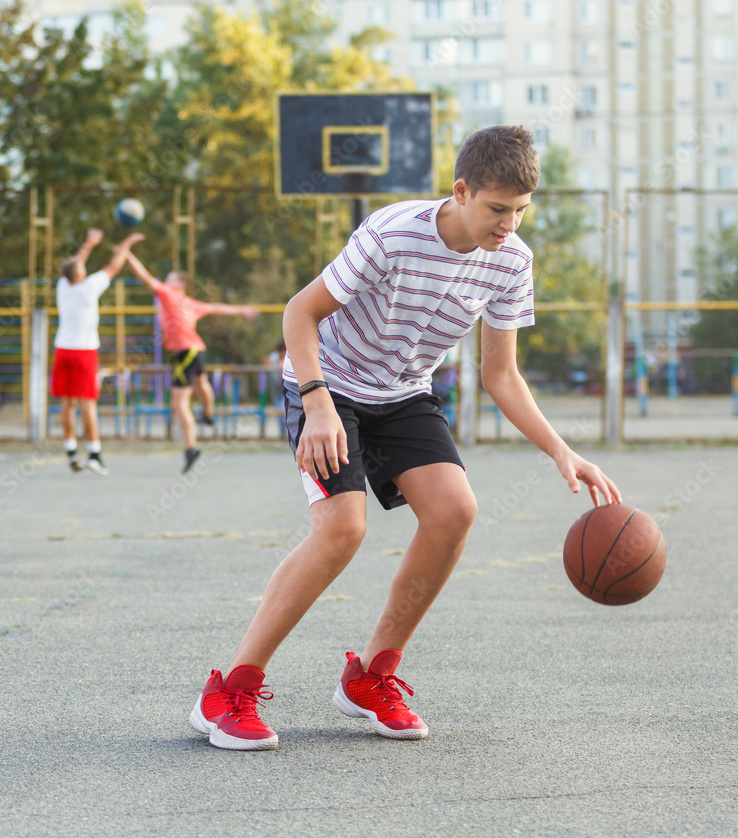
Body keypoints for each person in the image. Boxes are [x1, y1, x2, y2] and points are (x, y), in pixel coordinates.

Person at [187, 125, 623, 751]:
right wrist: (317, 404)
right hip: (328, 381)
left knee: (455, 512)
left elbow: (501, 374)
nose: (509, 226)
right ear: (462, 191)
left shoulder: (513, 261)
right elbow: (298, 313)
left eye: (521, 212)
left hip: (402, 392)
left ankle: (370, 678)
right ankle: (227, 690)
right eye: (498, 210)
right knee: (342, 528)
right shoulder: (393, 234)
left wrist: (562, 450)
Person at [122, 251, 257, 473]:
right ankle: (208, 414)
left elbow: (144, 277)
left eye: (170, 278)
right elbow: (215, 307)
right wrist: (241, 310)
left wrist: (128, 255)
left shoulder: (168, 294)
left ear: (180, 284)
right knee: (200, 383)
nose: (165, 281)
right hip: (196, 350)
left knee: (178, 403)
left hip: (185, 352)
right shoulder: (189, 303)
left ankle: (191, 448)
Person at [51, 229, 145, 475]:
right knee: (88, 404)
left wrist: (89, 243)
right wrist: (126, 243)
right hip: (83, 353)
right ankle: (94, 453)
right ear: (81, 274)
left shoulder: (62, 286)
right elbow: (114, 265)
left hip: (62, 350)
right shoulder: (89, 287)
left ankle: (70, 449)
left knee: (67, 404)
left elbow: (74, 264)